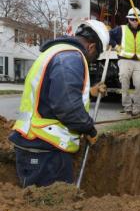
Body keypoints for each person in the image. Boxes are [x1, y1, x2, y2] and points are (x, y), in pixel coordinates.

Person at [9, 20, 107, 188]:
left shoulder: (56, 52)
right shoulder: (71, 57)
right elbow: (67, 107)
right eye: (95, 57)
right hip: (47, 149)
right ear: (91, 47)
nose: (92, 60)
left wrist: (90, 93)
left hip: (34, 144)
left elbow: (52, 94)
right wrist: (89, 129)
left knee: (38, 209)